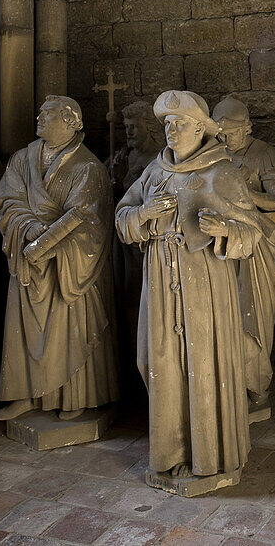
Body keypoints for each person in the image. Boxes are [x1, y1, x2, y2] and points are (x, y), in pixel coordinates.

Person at [116, 90, 275, 491]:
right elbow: (122, 217)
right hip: (160, 289)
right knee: (160, 362)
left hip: (205, 289)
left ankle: (208, 459)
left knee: (203, 367)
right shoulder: (154, 172)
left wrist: (226, 230)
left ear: (200, 128)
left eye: (180, 124)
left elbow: (254, 231)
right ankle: (170, 455)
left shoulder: (220, 172)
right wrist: (143, 214)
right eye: (167, 125)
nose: (171, 131)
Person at [0, 95, 119, 422]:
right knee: (24, 330)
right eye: (40, 112)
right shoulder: (22, 159)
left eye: (47, 114)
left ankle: (74, 394)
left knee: (69, 326)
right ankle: (26, 395)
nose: (39, 118)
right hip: (28, 257)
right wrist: (30, 227)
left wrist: (51, 244)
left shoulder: (88, 168)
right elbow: (8, 200)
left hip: (68, 265)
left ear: (72, 122)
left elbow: (92, 222)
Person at [212, 96, 275, 411]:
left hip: (257, 248)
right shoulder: (212, 156)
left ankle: (255, 382)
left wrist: (243, 194)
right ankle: (227, 384)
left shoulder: (263, 154)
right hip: (220, 247)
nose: (225, 139)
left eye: (230, 132)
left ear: (247, 127)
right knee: (223, 317)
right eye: (220, 133)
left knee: (254, 315)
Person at [108, 100, 165, 397]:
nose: (128, 132)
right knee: (123, 303)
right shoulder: (121, 157)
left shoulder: (158, 161)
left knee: (141, 306)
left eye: (134, 127)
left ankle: (145, 376)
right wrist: (114, 177)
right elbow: (109, 199)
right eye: (125, 127)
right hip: (121, 242)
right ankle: (129, 371)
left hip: (143, 248)